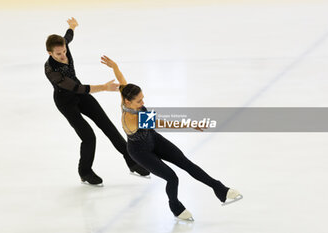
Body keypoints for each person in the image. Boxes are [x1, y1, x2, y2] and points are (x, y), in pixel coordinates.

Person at [100, 55, 242, 220]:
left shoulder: (125, 97)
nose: (143, 102)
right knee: (172, 177)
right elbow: (162, 122)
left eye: (142, 98)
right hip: (139, 151)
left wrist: (115, 66)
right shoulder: (131, 119)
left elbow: (122, 82)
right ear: (128, 102)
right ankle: (176, 207)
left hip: (153, 139)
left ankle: (221, 190)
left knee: (186, 163)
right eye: (139, 101)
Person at [44, 18, 150, 186]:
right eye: (59, 54)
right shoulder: (52, 70)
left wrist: (71, 27)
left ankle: (132, 161)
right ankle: (85, 172)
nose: (63, 55)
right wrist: (104, 87)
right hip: (66, 102)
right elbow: (77, 88)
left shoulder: (63, 46)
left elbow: (67, 37)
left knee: (107, 125)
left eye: (64, 51)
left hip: (81, 96)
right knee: (88, 137)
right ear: (50, 53)